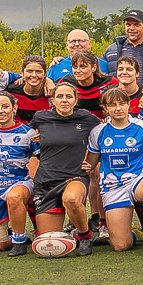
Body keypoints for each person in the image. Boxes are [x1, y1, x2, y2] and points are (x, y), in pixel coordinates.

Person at [86, 94, 143, 254]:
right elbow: (90, 163)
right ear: (105, 109)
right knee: (121, 246)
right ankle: (134, 234)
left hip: (140, 178)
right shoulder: (98, 131)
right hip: (113, 186)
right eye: (112, 105)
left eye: (122, 104)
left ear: (129, 105)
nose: (118, 108)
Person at [29, 80, 98, 255]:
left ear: (76, 100)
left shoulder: (87, 118)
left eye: (69, 96)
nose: (64, 100)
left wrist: (94, 161)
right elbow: (26, 139)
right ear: (52, 99)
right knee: (49, 242)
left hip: (74, 176)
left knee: (72, 199)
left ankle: (85, 236)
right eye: (60, 96)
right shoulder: (40, 118)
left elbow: (106, 137)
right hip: (46, 181)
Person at [0, 93, 39, 254]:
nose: (0, 111)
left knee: (14, 196)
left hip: (19, 183)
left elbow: (40, 158)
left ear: (14, 108)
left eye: (5, 106)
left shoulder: (28, 133)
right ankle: (12, 236)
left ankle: (19, 240)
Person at [99, 11, 143, 82]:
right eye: (128, 25)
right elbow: (101, 75)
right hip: (119, 93)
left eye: (136, 25)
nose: (131, 28)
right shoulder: (111, 50)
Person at [5, 56, 53, 123]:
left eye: (38, 72)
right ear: (22, 73)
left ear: (45, 73)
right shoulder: (11, 91)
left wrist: (49, 80)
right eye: (29, 71)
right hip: (20, 132)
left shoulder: (53, 92)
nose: (34, 75)